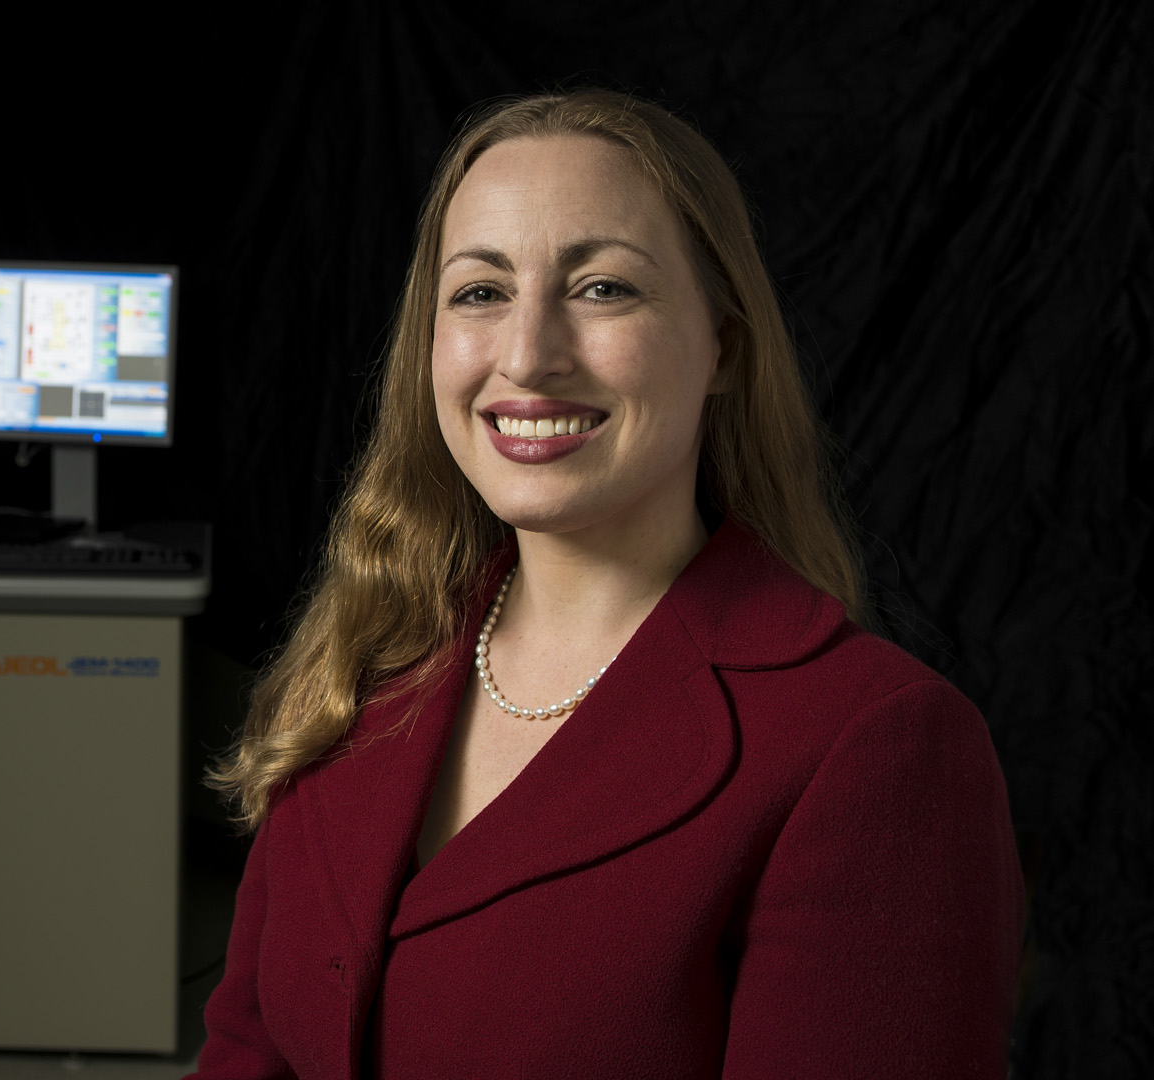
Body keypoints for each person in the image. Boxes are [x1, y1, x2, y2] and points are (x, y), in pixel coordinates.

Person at [192, 90, 1023, 1079]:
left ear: (725, 347)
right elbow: (247, 1054)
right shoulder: (355, 671)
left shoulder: (875, 743)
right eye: (478, 293)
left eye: (602, 290)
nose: (529, 354)